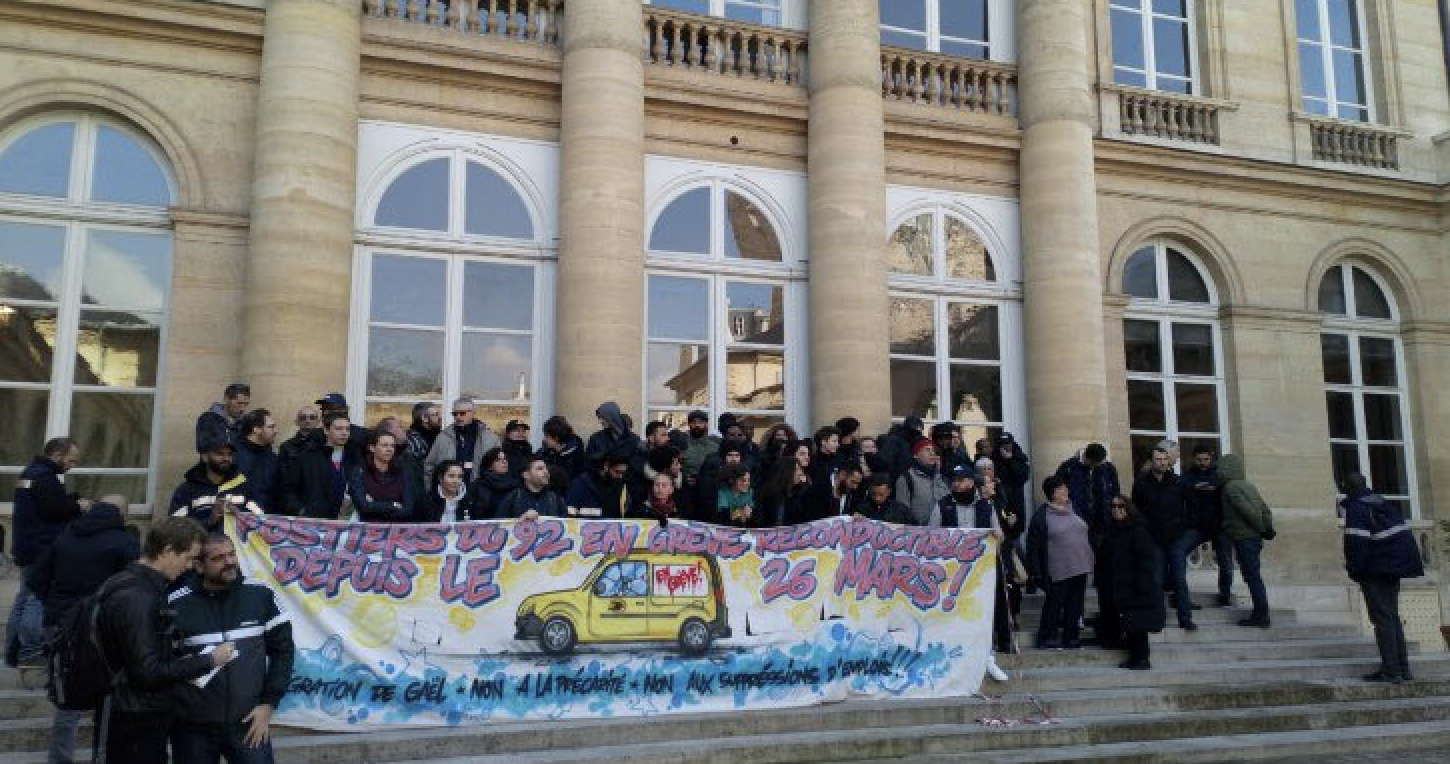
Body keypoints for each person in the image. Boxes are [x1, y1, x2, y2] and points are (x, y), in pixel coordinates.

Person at [95, 517, 229, 763]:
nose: (190, 567)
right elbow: (147, 672)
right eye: (188, 557)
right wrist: (209, 660)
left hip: (133, 713)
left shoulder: (129, 583)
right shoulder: (139, 596)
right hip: (136, 720)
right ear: (167, 550)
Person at [27, 495, 137, 764]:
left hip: (61, 621)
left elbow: (36, 578)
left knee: (67, 699)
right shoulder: (124, 541)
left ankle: (59, 759)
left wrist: (55, 602)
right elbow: (134, 587)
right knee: (107, 702)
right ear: (122, 514)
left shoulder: (66, 536)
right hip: (101, 627)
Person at [170, 533, 295, 764]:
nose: (229, 562)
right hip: (192, 728)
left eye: (231, 554)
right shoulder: (176, 604)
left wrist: (268, 704)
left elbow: (283, 652)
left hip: (249, 723)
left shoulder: (261, 594)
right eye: (218, 558)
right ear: (199, 566)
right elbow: (163, 663)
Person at [7, 437, 88, 669]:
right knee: (36, 600)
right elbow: (51, 512)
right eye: (71, 460)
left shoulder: (32, 472)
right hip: (40, 548)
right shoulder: (44, 477)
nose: (72, 466)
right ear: (57, 455)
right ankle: (31, 652)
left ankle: (14, 652)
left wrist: (71, 499)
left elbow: (44, 506)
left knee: (23, 599)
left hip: (28, 546)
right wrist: (79, 506)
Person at [1341, 473, 1422, 684]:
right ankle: (1402, 669)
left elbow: (1357, 545)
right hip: (1395, 567)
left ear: (1348, 487)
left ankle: (1391, 671)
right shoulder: (1381, 502)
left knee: (1383, 619)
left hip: (1376, 569)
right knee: (1391, 617)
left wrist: (1355, 570)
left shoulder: (1356, 508)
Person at [1026, 475, 1094, 650]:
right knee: (1054, 606)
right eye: (1060, 489)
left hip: (1080, 565)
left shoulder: (1074, 508)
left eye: (1065, 487)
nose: (1065, 491)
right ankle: (1047, 637)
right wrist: (1036, 572)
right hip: (1057, 570)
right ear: (1051, 493)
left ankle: (1072, 638)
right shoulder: (1041, 516)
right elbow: (1033, 547)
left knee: (1075, 605)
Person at [1134, 447, 1197, 630]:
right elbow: (1136, 511)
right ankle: (1158, 619)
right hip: (1154, 539)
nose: (1161, 462)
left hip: (1176, 538)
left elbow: (1193, 507)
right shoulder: (1141, 483)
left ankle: (1185, 618)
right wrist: (1144, 531)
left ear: (1169, 461)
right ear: (1151, 461)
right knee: (1156, 580)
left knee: (1179, 579)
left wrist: (1183, 526)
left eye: (1164, 459)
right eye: (1157, 459)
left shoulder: (1179, 482)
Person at [1105, 495, 1164, 670]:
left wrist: (1142, 585)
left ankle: (1142, 659)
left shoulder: (1138, 531)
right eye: (1113, 506)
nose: (1116, 509)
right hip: (1122, 585)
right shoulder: (1115, 531)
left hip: (1137, 587)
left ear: (1128, 508)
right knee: (1130, 625)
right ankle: (1134, 658)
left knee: (1139, 626)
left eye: (1120, 506)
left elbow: (1146, 560)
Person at [1219, 453, 1274, 628]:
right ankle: (1261, 613)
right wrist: (1267, 528)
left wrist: (1261, 527)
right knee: (1254, 575)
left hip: (1244, 537)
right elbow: (1264, 508)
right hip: (1254, 538)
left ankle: (1261, 615)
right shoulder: (1248, 486)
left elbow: (1247, 511)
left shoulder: (1231, 488)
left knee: (1252, 576)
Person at [170, 432, 263, 529]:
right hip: (201, 539)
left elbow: (261, 523)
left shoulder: (245, 487)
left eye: (229, 454)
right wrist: (209, 521)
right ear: (205, 457)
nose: (226, 458)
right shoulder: (186, 490)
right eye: (219, 454)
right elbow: (175, 528)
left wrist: (240, 516)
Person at [1184, 444, 1235, 606]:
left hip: (1219, 525)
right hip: (1197, 525)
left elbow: (1225, 488)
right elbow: (1181, 487)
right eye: (1199, 459)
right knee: (1179, 552)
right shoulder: (1188, 475)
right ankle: (1179, 592)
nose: (1202, 463)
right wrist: (1193, 487)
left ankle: (1225, 594)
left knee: (1225, 561)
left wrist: (1208, 487)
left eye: (1206, 459)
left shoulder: (1219, 474)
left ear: (1211, 458)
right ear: (1194, 459)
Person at [282, 413, 356, 519]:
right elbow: (288, 488)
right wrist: (301, 511)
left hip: (343, 522)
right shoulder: (307, 457)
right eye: (338, 429)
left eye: (347, 429)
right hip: (313, 521)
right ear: (326, 430)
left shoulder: (353, 458)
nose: (344, 433)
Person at [348, 429, 423, 522]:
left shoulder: (403, 471)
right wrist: (394, 505)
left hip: (397, 527)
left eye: (392, 446)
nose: (389, 449)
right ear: (372, 448)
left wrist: (374, 504)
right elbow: (363, 507)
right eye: (384, 445)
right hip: (368, 528)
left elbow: (408, 510)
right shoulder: (360, 471)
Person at [425, 398, 501, 485]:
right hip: (449, 489)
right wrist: (430, 488)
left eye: (462, 413)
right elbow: (429, 466)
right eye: (455, 414)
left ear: (473, 413)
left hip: (480, 489)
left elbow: (499, 467)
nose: (458, 417)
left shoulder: (490, 438)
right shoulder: (443, 437)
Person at [233, 408, 280, 512]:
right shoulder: (232, 455)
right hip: (239, 517)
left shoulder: (273, 458)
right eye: (271, 427)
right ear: (256, 429)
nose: (276, 431)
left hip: (267, 519)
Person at [895, 439, 948, 527]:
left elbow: (947, 503)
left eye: (933, 450)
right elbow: (902, 512)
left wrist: (938, 473)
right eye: (927, 450)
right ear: (916, 455)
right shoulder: (906, 478)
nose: (932, 453)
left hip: (942, 532)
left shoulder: (941, 478)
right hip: (918, 531)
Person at [566, 451, 633, 519]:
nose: (620, 476)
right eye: (617, 472)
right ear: (606, 466)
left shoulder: (620, 487)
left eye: (623, 473)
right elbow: (569, 516)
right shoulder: (580, 485)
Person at [497, 456, 568, 520]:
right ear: (526, 475)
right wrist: (520, 520)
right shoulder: (512, 498)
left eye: (546, 468)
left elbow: (567, 525)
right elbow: (498, 526)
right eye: (540, 469)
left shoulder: (555, 498)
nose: (546, 472)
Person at [758, 452, 812, 527]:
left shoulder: (799, 492)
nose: (800, 473)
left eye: (800, 469)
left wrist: (805, 487)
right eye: (796, 469)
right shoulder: (769, 495)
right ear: (786, 472)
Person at [991, 433, 1032, 528]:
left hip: (1015, 498)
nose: (1005, 447)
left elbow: (1023, 477)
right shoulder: (993, 457)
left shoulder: (1020, 457)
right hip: (999, 498)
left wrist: (1010, 460)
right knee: (999, 526)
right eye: (1002, 444)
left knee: (1015, 528)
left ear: (1012, 444)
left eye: (1007, 444)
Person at [195, 383, 250, 453]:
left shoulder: (246, 421)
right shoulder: (208, 419)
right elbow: (202, 446)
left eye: (246, 404)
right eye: (239, 403)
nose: (242, 408)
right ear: (226, 399)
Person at [585, 402, 642, 466]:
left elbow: (639, 464)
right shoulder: (595, 439)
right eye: (599, 418)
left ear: (613, 416)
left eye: (603, 417)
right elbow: (587, 464)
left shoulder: (635, 440)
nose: (600, 421)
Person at [537, 415, 587, 481]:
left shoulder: (576, 457)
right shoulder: (544, 450)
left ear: (556, 438)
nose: (544, 439)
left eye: (547, 436)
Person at [877, 416, 924, 481]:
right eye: (918, 429)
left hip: (911, 480)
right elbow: (885, 463)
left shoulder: (913, 441)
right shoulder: (894, 440)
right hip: (897, 480)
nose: (920, 432)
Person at [679, 410, 719, 486]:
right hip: (685, 487)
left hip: (709, 487)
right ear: (689, 424)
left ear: (706, 424)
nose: (697, 425)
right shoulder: (681, 444)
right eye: (693, 422)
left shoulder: (715, 446)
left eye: (700, 422)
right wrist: (684, 478)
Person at [715, 463, 755, 528]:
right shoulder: (723, 493)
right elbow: (724, 517)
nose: (747, 483)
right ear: (732, 480)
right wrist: (740, 512)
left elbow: (749, 517)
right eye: (743, 480)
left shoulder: (750, 492)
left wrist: (746, 514)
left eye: (748, 480)